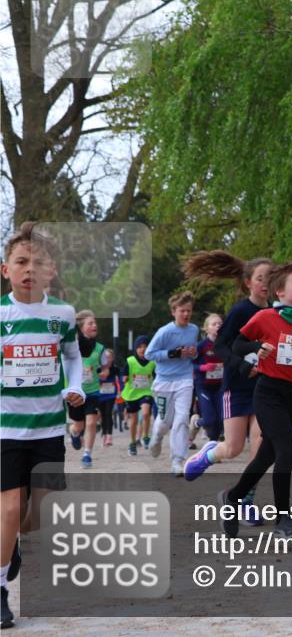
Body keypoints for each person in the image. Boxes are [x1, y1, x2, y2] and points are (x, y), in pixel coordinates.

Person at [0, 222, 85, 630]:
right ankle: (0, 590)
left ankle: (11, 542)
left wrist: (74, 387)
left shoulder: (62, 314)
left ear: (51, 271)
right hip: (6, 431)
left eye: (39, 263)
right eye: (21, 261)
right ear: (6, 270)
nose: (29, 269)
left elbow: (71, 357)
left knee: (40, 513)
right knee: (10, 507)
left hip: (49, 427)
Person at [218, 263, 292, 539]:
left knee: (267, 454)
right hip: (268, 392)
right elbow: (237, 345)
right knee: (287, 451)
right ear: (280, 291)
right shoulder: (265, 317)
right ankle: (283, 520)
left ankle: (232, 498)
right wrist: (257, 347)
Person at [180, 252, 271, 527]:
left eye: (270, 278)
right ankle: (208, 453)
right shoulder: (240, 312)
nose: (265, 283)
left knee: (261, 444)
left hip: (263, 388)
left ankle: (246, 501)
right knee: (233, 448)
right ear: (247, 283)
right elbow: (220, 347)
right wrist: (242, 366)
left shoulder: (275, 312)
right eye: (260, 278)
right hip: (237, 387)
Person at [145, 291, 199, 476]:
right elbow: (149, 354)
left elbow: (194, 353)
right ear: (173, 312)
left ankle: (177, 461)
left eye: (189, 311)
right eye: (182, 311)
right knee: (165, 422)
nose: (186, 314)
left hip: (184, 379)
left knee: (182, 418)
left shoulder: (193, 330)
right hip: (164, 382)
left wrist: (194, 353)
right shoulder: (165, 332)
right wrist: (172, 354)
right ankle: (157, 436)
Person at [67, 310, 108, 469]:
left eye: (95, 322)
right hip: (75, 393)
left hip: (92, 392)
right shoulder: (72, 347)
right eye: (90, 323)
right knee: (79, 426)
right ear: (81, 327)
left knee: (91, 422)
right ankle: (74, 433)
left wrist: (104, 373)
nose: (94, 325)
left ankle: (87, 454)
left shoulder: (100, 348)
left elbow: (105, 368)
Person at [191, 313, 225, 443]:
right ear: (206, 328)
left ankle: (213, 447)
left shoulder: (225, 344)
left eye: (220, 324)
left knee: (222, 417)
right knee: (210, 419)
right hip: (204, 385)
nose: (217, 326)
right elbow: (190, 365)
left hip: (221, 385)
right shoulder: (201, 346)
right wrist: (203, 368)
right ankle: (196, 423)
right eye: (214, 324)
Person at [121, 336, 155, 456]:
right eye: (140, 347)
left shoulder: (152, 362)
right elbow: (124, 375)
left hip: (146, 392)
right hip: (132, 394)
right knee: (134, 420)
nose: (142, 349)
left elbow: (156, 376)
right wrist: (124, 378)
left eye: (145, 346)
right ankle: (132, 443)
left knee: (146, 413)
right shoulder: (130, 361)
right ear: (135, 349)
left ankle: (145, 436)